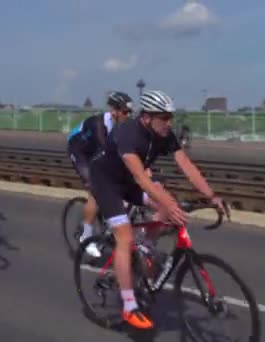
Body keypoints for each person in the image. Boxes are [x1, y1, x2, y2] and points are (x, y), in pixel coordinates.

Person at [89, 90, 226, 330]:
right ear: (147, 117)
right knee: (124, 236)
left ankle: (146, 248)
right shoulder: (127, 133)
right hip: (107, 182)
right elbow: (142, 178)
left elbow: (187, 166)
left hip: (129, 182)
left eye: (171, 117)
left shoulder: (164, 134)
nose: (169, 123)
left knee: (167, 207)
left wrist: (211, 195)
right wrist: (170, 206)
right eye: (164, 118)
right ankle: (129, 305)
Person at [66, 91, 134, 257]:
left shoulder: (124, 125)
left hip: (97, 153)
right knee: (96, 190)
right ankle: (86, 235)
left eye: (129, 112)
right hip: (80, 151)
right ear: (114, 111)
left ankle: (107, 219)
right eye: (125, 112)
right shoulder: (98, 126)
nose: (128, 116)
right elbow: (105, 157)